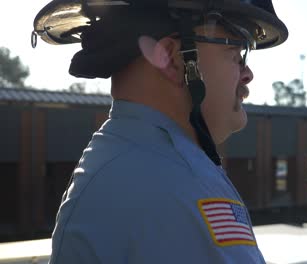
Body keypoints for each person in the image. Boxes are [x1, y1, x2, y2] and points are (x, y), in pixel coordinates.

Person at [33, 0, 288, 262]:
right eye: (237, 51)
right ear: (174, 59)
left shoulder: (130, 162)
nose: (248, 74)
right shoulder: (173, 186)